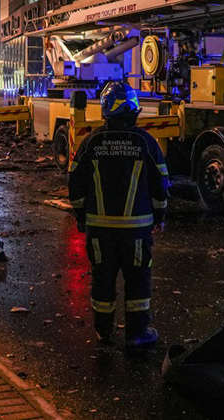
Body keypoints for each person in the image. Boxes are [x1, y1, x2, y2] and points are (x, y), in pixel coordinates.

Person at [68, 81, 170, 347]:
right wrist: (159, 216)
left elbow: (75, 181)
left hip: (100, 231)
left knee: (103, 279)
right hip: (137, 230)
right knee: (137, 281)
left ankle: (104, 331)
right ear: (133, 110)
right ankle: (137, 334)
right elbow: (161, 183)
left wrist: (81, 216)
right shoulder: (145, 142)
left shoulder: (92, 142)